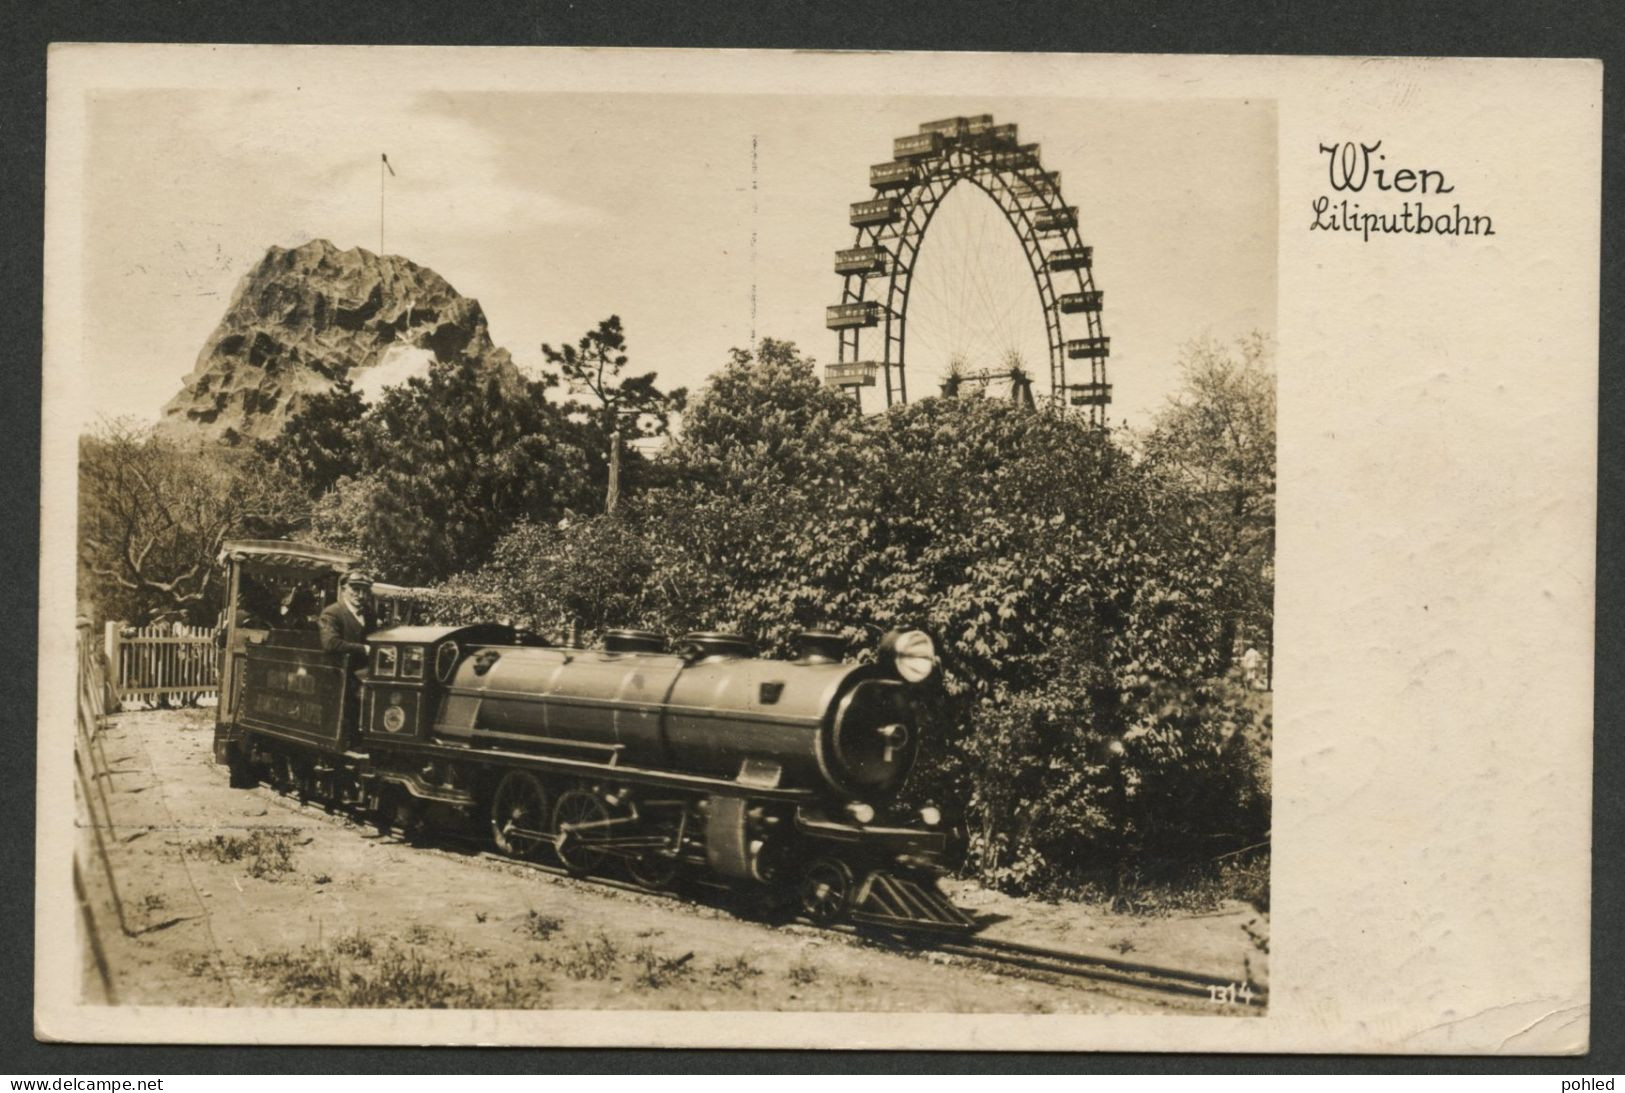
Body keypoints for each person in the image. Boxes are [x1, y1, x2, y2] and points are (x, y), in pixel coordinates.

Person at [319, 570, 376, 664]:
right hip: (339, 672)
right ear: (343, 590)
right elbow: (331, 643)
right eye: (356, 589)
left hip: (365, 673)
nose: (361, 595)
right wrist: (364, 648)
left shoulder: (370, 613)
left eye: (365, 591)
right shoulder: (331, 613)